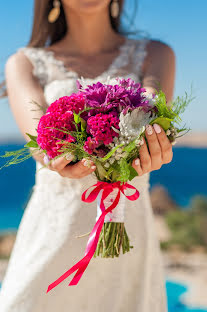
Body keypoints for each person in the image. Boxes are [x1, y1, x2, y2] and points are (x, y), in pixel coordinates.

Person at [0, 0, 175, 311]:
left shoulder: (156, 54)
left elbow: (152, 116)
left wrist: (152, 146)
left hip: (130, 231)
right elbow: (41, 143)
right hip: (54, 230)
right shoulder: (23, 63)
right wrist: (56, 159)